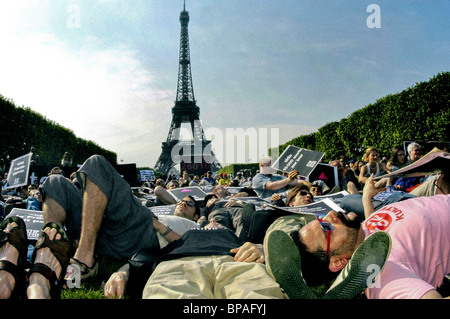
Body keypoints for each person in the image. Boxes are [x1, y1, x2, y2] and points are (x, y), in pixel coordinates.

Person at [35, 155, 203, 293]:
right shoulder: (164, 205)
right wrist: (173, 202)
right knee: (54, 182)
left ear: (196, 215)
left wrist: (160, 227)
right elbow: (159, 191)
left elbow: (188, 246)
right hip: (102, 231)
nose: (183, 204)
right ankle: (50, 254)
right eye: (182, 201)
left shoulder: (193, 226)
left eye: (189, 204)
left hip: (140, 231)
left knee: (96, 163)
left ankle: (85, 259)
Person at [289, 181, 450, 299]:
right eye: (326, 227)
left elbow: (372, 223)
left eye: (322, 219)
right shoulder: (378, 273)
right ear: (338, 262)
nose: (331, 215)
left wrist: (366, 197)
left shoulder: (357, 233)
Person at [104, 219, 285, 299]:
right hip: (180, 263)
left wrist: (264, 248)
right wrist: (123, 271)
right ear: (200, 222)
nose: (214, 223)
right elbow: (149, 254)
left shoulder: (237, 238)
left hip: (238, 259)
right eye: (210, 222)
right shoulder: (186, 235)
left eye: (219, 223)